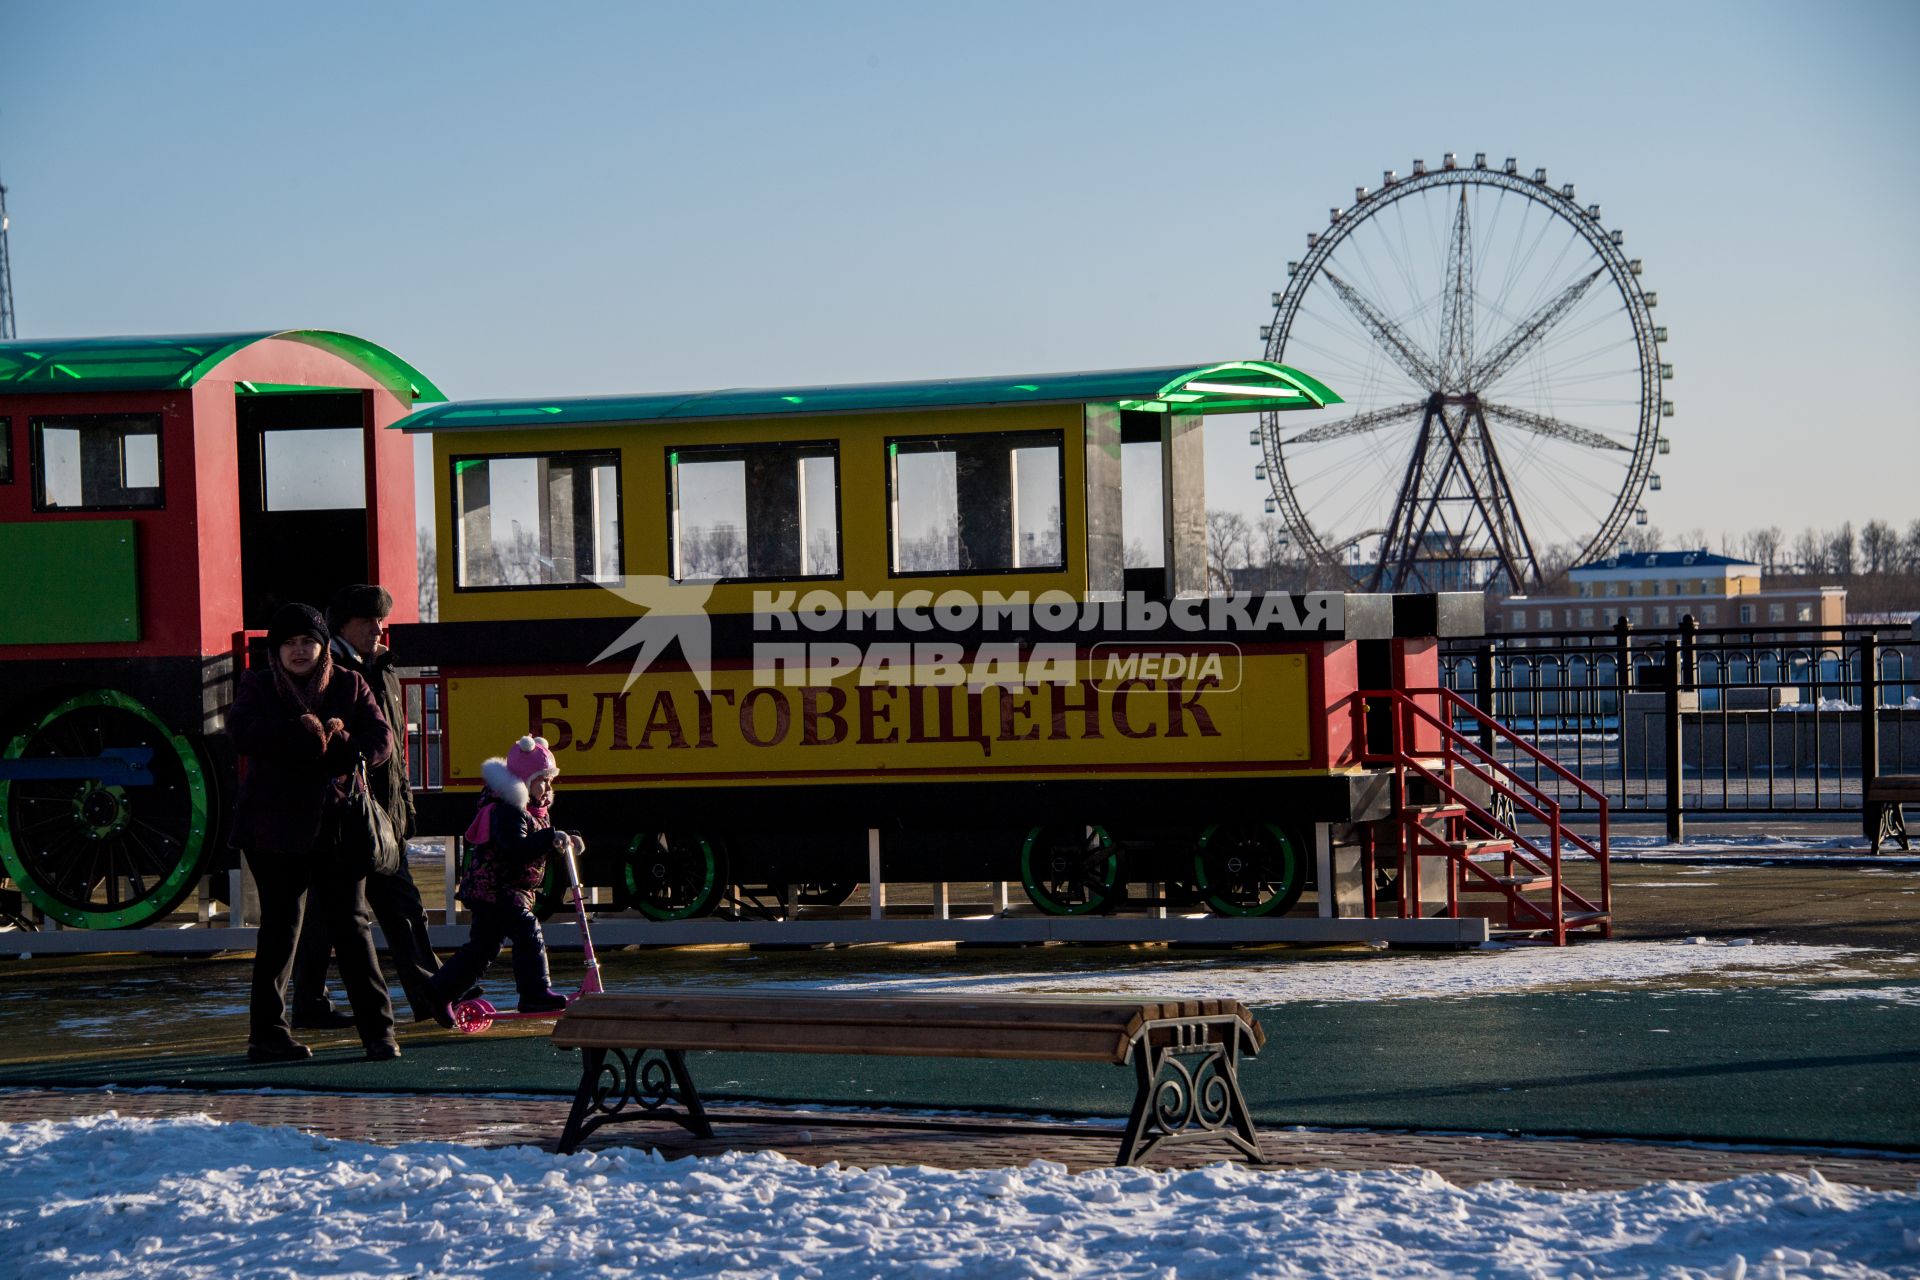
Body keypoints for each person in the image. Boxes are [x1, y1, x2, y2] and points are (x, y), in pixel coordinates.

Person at [228, 602, 400, 1062]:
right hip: (272, 830)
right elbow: (240, 731)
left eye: (308, 641)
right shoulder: (258, 685)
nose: (299, 650)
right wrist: (295, 733)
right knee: (280, 931)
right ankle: (267, 1035)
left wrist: (345, 744)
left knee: (353, 927)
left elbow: (381, 740)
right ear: (276, 651)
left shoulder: (349, 682)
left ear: (323, 645)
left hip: (338, 827)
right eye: (289, 643)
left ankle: (379, 1033)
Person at [291, 584, 461, 1026]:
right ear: (344, 625)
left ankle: (428, 995)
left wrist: (401, 807)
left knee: (376, 909)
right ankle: (429, 995)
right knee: (363, 911)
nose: (378, 628)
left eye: (379, 620)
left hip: (377, 813)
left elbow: (395, 752)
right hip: (353, 814)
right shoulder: (338, 672)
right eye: (369, 621)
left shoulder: (378, 667)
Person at [426, 735, 579, 1023]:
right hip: (497, 888)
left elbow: (537, 848)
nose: (548, 788)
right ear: (524, 780)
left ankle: (439, 990)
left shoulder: (533, 812)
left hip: (499, 889)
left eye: (550, 781)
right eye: (542, 780)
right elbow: (516, 850)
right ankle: (534, 992)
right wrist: (548, 838)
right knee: (526, 929)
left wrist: (565, 841)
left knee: (483, 948)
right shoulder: (509, 810)